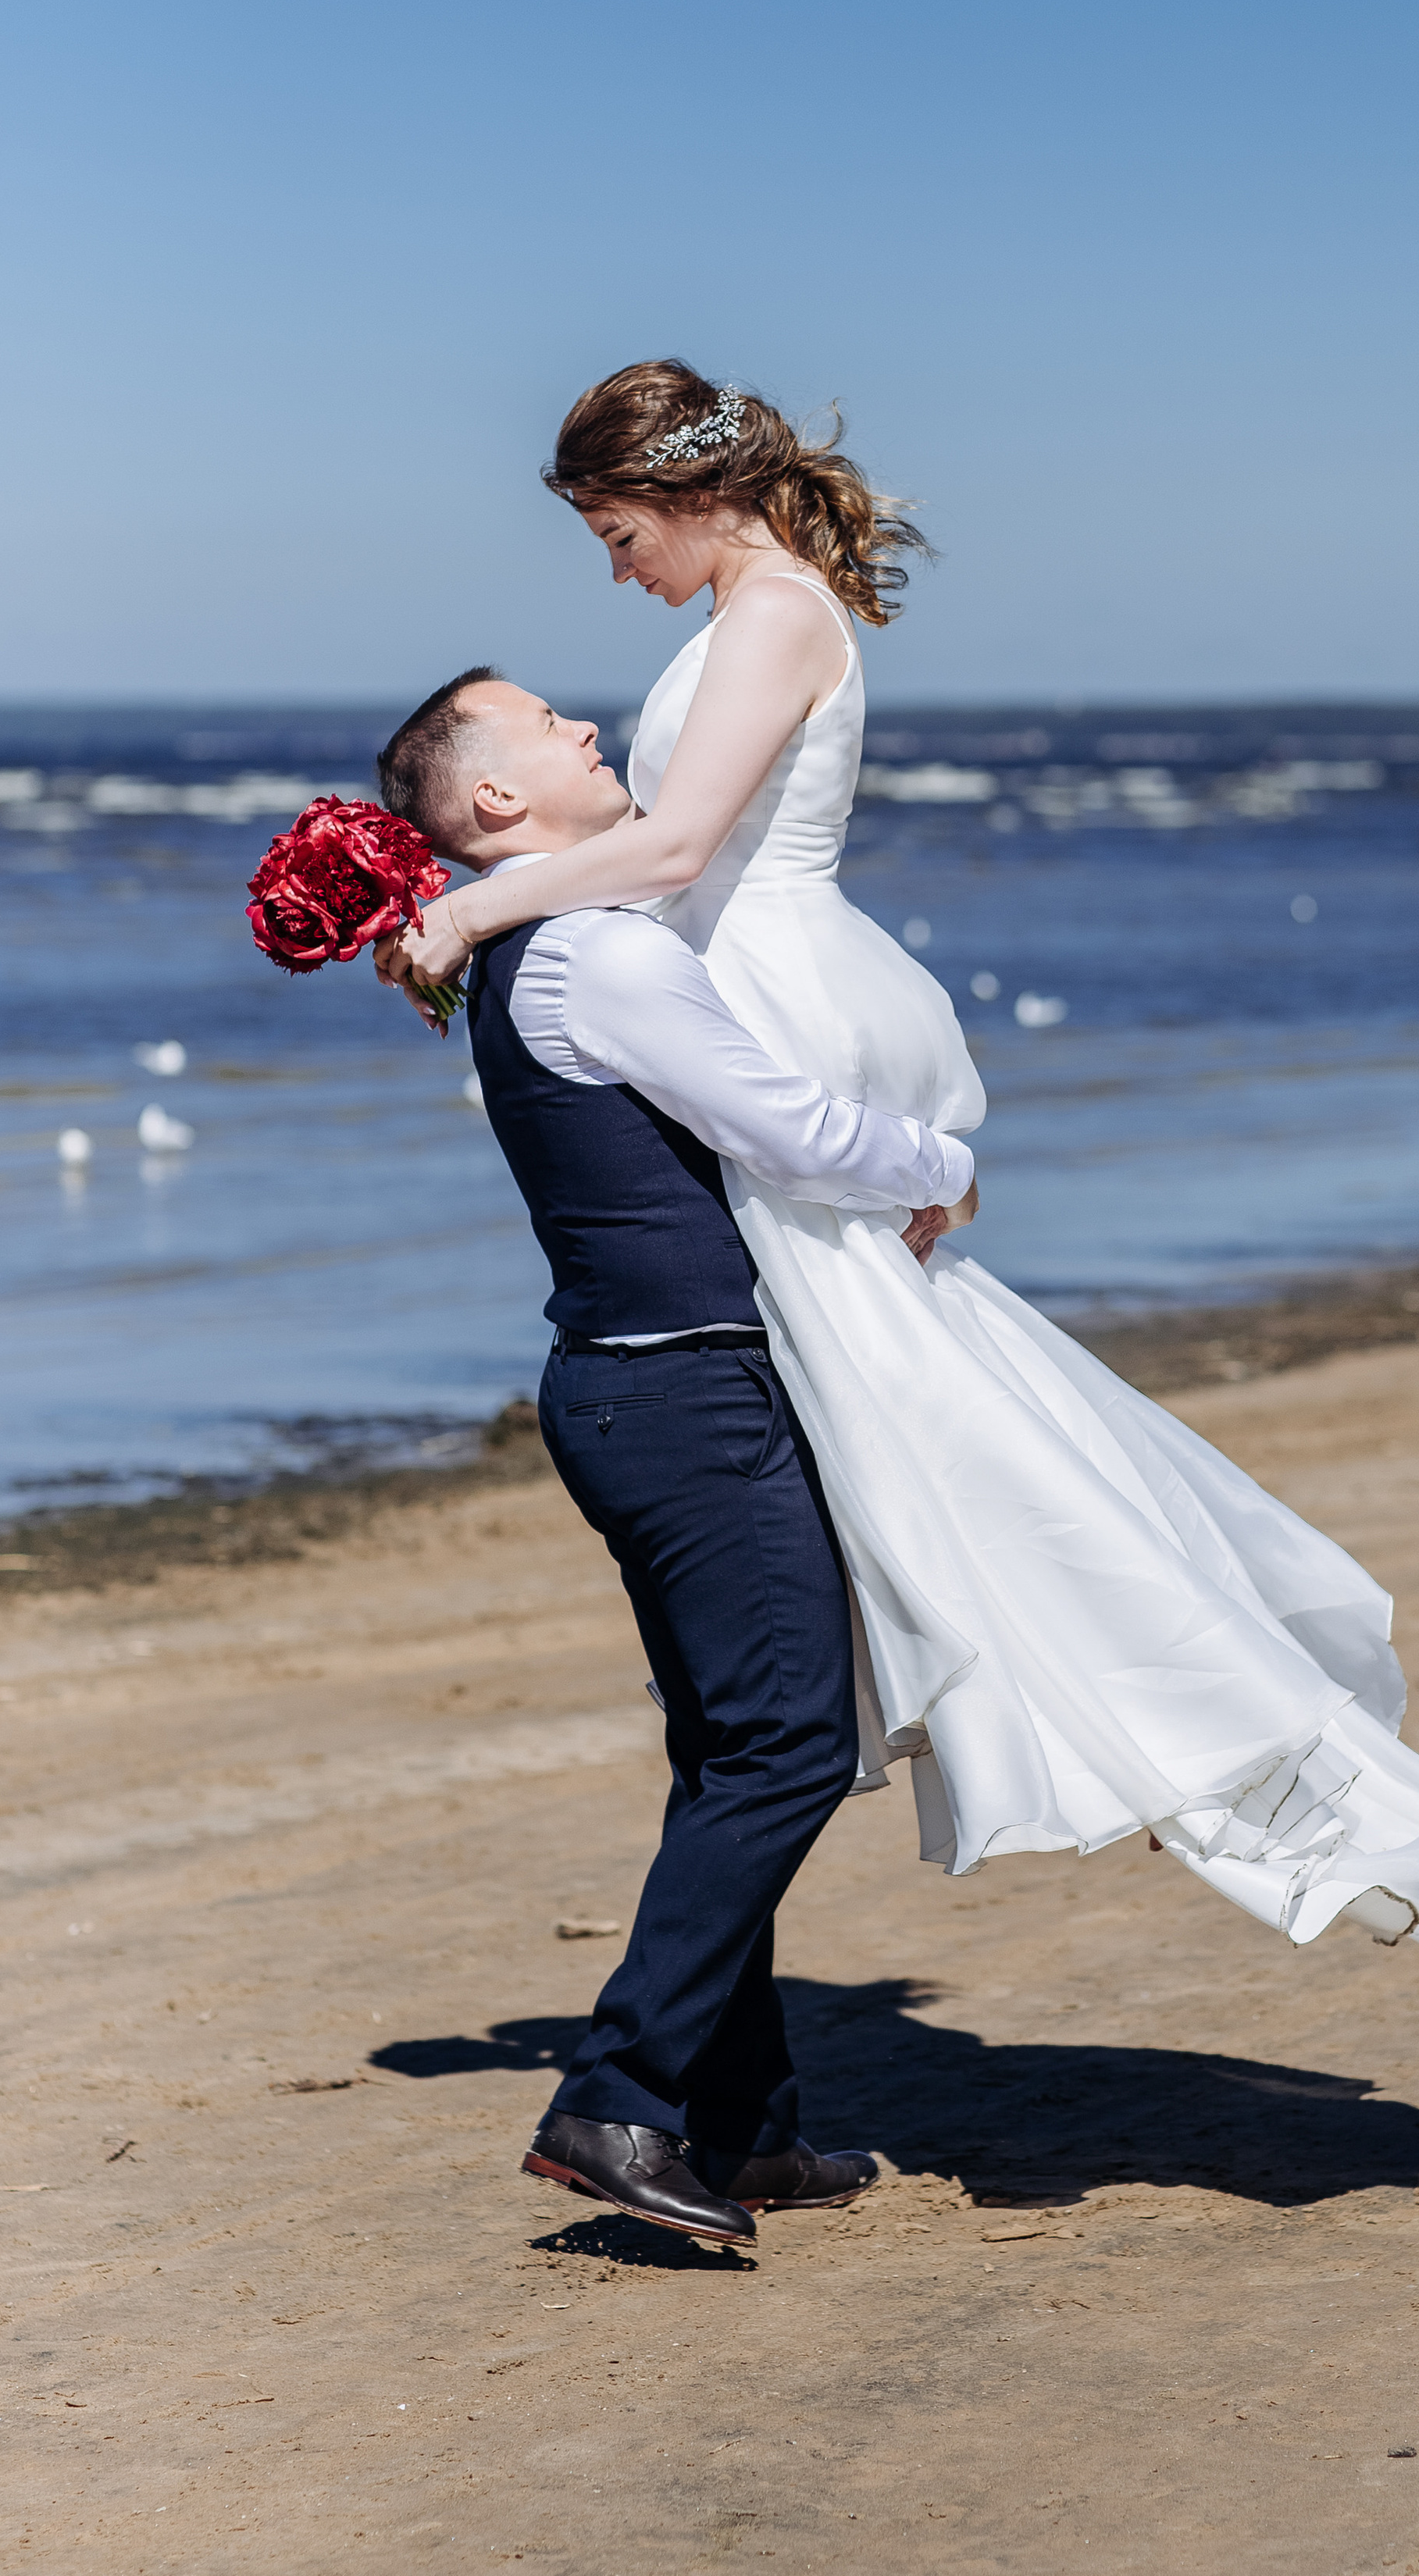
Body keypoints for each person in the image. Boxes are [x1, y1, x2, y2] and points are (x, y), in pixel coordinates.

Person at [377, 362, 1419, 1961]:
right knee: (889, 1397)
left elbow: (684, 845)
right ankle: (835, 1683)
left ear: (686, 493)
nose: (614, 569)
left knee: (912, 1406)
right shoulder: (748, 609)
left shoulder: (769, 608)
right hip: (738, 981)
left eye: (616, 530)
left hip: (768, 984)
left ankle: (1015, 1682)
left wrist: (473, 904)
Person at [375, 668, 979, 2245]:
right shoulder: (593, 956)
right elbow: (786, 1127)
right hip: (684, 1405)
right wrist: (941, 1162)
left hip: (631, 1395)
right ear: (498, 805)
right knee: (778, 1749)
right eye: (549, 728)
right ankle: (615, 2101)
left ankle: (741, 2127)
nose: (589, 729)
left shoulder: (524, 953)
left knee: (728, 1753)